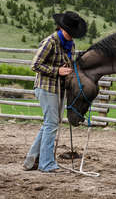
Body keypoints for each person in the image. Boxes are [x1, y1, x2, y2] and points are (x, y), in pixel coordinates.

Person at [23, 11, 87, 172]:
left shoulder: (70, 45)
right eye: (70, 33)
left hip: (59, 89)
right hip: (46, 87)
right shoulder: (50, 42)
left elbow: (69, 63)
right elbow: (35, 65)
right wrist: (56, 71)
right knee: (51, 124)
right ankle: (46, 164)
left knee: (49, 124)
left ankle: (31, 160)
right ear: (62, 28)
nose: (72, 37)